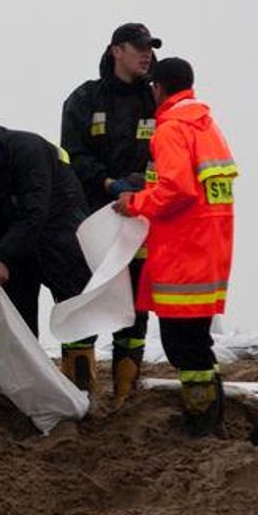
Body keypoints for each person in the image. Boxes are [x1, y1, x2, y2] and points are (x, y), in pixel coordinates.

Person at [114, 57, 238, 436]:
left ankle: (201, 422)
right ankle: (208, 416)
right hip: (210, 251)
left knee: (183, 346)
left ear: (159, 87)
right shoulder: (205, 125)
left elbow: (177, 190)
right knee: (196, 343)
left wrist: (134, 203)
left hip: (184, 256)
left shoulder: (171, 129)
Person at [0, 114, 98, 391]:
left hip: (58, 238)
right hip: (14, 247)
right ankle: (34, 387)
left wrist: (3, 257)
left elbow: (33, 213)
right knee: (21, 320)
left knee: (74, 311)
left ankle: (80, 382)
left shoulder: (28, 150)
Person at [62, 23, 163, 405]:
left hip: (139, 219)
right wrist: (106, 183)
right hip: (92, 219)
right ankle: (78, 391)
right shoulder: (85, 99)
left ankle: (125, 392)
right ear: (115, 51)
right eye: (139, 47)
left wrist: (143, 181)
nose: (146, 54)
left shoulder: (156, 101)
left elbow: (168, 154)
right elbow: (72, 154)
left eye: (150, 48)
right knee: (86, 295)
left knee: (135, 305)